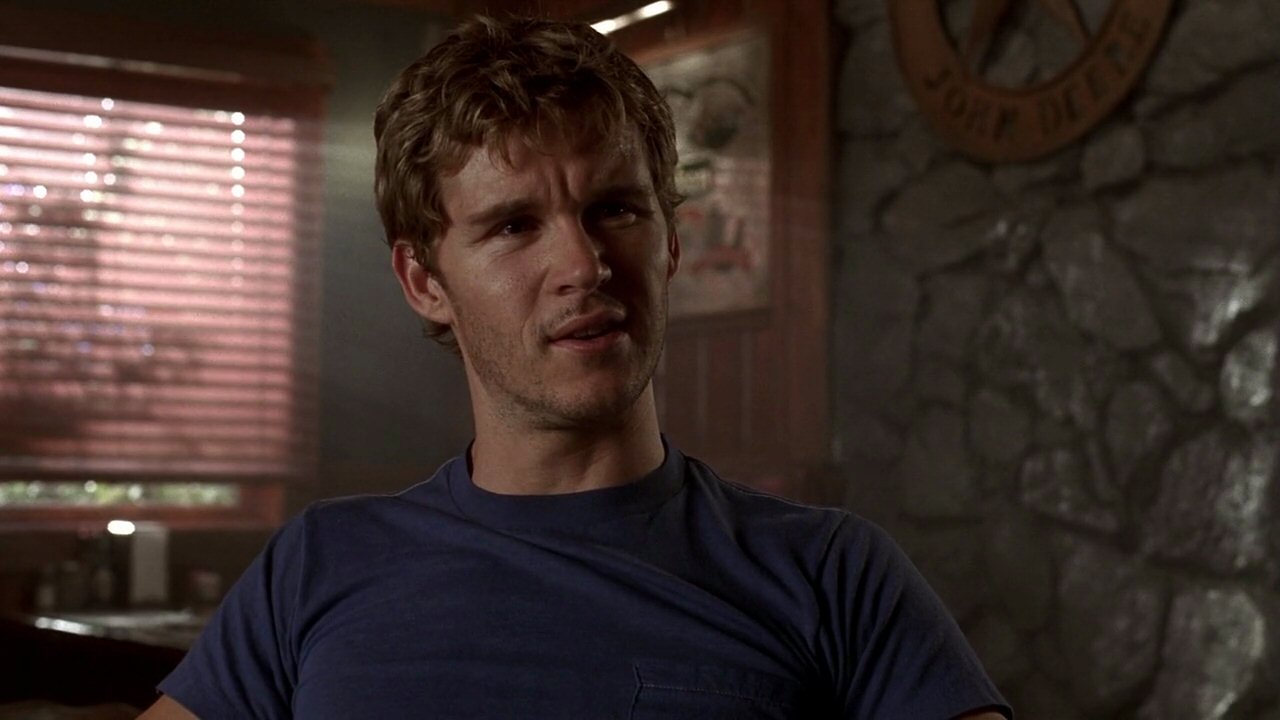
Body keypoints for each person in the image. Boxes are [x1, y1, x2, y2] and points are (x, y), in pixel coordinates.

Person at [141, 14, 1012, 720]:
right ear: (424, 282)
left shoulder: (829, 571)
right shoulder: (320, 563)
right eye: (515, 225)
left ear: (670, 243)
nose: (585, 265)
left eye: (616, 209)